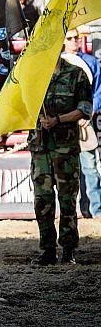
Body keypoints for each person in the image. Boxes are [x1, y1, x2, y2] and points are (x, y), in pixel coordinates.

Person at [28, 55, 92, 266]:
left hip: (66, 149)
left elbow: (84, 110)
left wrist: (57, 120)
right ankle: (47, 249)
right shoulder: (33, 75)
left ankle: (68, 249)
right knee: (42, 201)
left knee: (67, 201)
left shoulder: (76, 74)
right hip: (40, 149)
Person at [62, 28, 101, 219]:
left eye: (76, 38)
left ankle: (96, 210)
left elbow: (98, 90)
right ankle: (70, 211)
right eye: (69, 38)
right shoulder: (58, 63)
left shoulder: (90, 62)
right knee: (65, 170)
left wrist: (89, 111)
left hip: (85, 122)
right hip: (63, 124)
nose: (74, 41)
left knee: (90, 167)